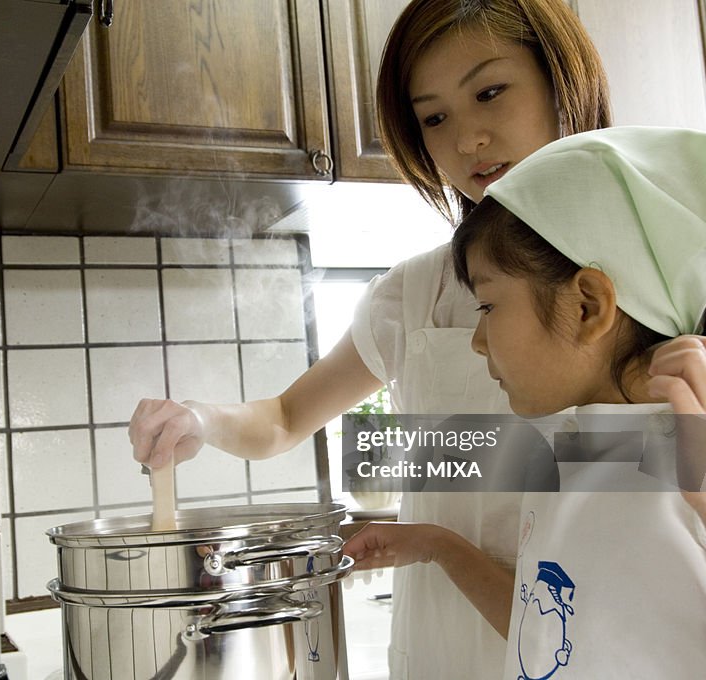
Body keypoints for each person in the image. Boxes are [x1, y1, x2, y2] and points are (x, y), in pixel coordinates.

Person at [129, 0, 610, 676]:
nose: (467, 139)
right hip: (436, 655)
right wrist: (200, 419)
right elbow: (286, 417)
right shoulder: (416, 292)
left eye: (490, 92)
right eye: (434, 116)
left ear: (563, 83)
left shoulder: (636, 281)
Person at [428, 125, 706, 677]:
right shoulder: (574, 447)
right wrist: (439, 546)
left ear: (587, 305)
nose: (477, 340)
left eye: (487, 307)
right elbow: (556, 631)